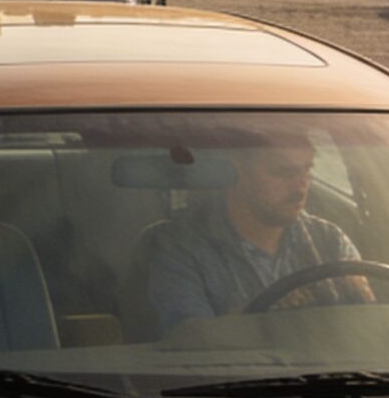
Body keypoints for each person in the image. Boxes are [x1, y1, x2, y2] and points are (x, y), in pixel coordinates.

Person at [142, 138, 373, 335]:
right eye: (283, 172)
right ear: (237, 173)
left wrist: (365, 302)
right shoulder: (180, 247)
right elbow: (189, 341)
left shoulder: (329, 241)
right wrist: (270, 318)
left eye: (307, 170)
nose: (301, 185)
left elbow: (370, 331)